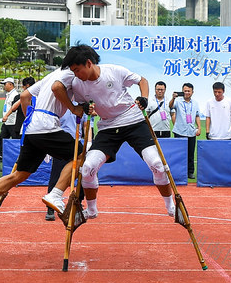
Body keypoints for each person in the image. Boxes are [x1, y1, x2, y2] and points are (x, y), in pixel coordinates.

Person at [52, 43, 176, 219]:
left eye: (77, 69)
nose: (76, 75)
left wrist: (143, 97)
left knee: (157, 164)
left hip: (133, 121)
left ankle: (171, 205)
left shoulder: (114, 71)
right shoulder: (77, 84)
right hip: (107, 127)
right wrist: (84, 108)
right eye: (73, 71)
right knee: (87, 168)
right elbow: (81, 103)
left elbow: (142, 81)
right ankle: (92, 210)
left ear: (88, 63)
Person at [0, 67, 82, 218]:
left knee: (20, 174)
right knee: (82, 155)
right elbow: (56, 88)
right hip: (47, 126)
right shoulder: (69, 75)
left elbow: (24, 96)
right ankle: (55, 194)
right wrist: (73, 108)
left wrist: (29, 117)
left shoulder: (50, 76)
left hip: (31, 128)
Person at [170, 83, 201, 179]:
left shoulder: (195, 103)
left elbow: (197, 115)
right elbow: (170, 106)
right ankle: (179, 172)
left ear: (192, 92)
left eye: (189, 91)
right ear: (182, 91)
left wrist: (199, 127)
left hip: (191, 132)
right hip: (179, 131)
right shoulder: (178, 101)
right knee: (179, 153)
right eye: (185, 91)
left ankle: (190, 172)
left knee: (190, 153)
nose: (187, 92)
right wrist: (173, 98)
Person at [0, 77, 21, 161]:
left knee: (14, 140)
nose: (4, 86)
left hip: (13, 122)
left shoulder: (15, 95)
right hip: (7, 122)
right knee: (2, 138)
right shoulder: (9, 94)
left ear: (10, 84)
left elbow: (14, 108)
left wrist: (7, 116)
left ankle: (15, 157)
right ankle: (3, 155)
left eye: (5, 84)